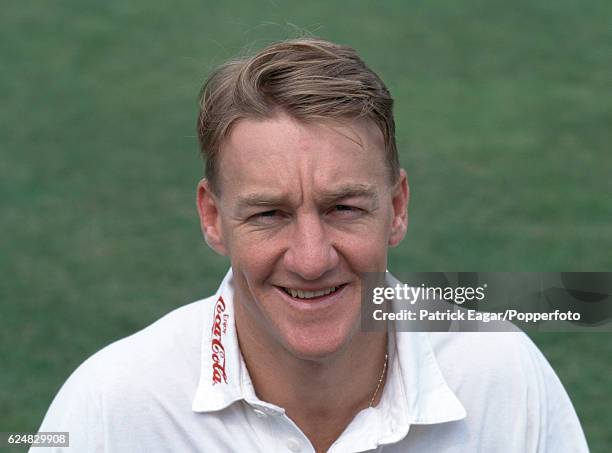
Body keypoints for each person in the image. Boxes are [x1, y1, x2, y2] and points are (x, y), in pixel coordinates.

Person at [32, 38, 588, 452]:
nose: (312, 258)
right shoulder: (111, 406)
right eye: (269, 214)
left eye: (343, 208)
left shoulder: (502, 372)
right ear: (212, 217)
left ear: (396, 208)